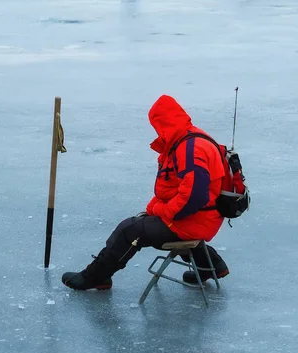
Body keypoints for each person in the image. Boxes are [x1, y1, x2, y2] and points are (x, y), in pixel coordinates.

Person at [62, 94, 230, 291]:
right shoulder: (188, 138)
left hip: (195, 219)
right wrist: (153, 209)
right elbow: (174, 190)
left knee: (130, 230)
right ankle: (212, 266)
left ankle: (96, 276)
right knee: (146, 219)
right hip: (204, 218)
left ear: (164, 122)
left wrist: (162, 212)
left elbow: (195, 196)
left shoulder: (190, 148)